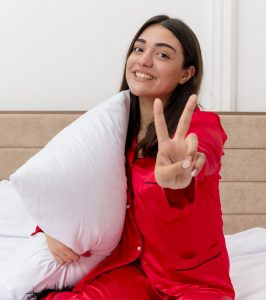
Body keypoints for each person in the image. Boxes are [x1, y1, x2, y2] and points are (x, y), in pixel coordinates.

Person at [27, 14, 235, 300]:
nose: (144, 60)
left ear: (186, 73)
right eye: (139, 49)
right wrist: (51, 227)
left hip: (195, 281)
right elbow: (77, 181)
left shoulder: (202, 125)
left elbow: (203, 152)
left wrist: (186, 171)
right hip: (133, 269)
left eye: (162, 54)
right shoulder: (114, 129)